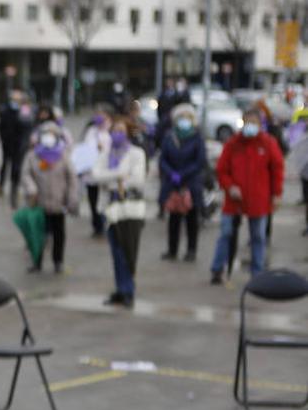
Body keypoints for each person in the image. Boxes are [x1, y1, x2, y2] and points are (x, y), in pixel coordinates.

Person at [210, 107, 283, 285]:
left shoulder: (268, 143)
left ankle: (257, 273)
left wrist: (276, 194)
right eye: (247, 123)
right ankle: (217, 269)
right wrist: (229, 186)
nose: (250, 126)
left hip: (259, 199)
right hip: (234, 199)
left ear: (260, 124)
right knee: (226, 233)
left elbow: (277, 169)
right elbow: (221, 170)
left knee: (258, 236)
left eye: (254, 123)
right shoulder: (233, 144)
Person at [90, 118, 148, 308]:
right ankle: (120, 290)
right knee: (116, 252)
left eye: (121, 130)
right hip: (111, 208)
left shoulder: (136, 153)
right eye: (114, 130)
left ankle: (128, 290)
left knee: (128, 251)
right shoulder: (106, 154)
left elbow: (137, 180)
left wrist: (112, 181)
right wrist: (119, 177)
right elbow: (96, 175)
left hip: (130, 210)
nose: (117, 134)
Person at [21, 121, 78, 274]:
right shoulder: (33, 156)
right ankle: (37, 262)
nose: (48, 137)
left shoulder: (63, 155)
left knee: (59, 234)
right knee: (38, 234)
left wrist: (71, 197)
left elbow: (72, 178)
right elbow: (25, 174)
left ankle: (58, 261)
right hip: (38, 202)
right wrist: (31, 188)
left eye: (51, 134)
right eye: (45, 133)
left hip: (59, 202)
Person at [157, 104, 207, 262]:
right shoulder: (169, 136)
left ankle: (191, 250)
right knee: (174, 218)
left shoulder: (197, 137)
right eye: (181, 118)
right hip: (173, 183)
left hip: (190, 183)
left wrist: (183, 174)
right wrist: (171, 173)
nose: (184, 121)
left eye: (187, 117)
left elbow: (200, 161)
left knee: (192, 218)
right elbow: (162, 158)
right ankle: (172, 250)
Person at [79, 109, 115, 238]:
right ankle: (97, 225)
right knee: (93, 201)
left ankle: (105, 222)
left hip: (105, 173)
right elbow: (85, 149)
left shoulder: (112, 131)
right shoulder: (91, 132)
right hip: (91, 174)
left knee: (105, 200)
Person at [0, 91, 32, 208]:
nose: (15, 101)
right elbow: (1, 126)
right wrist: (3, 139)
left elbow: (27, 126)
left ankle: (13, 193)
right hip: (7, 144)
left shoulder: (24, 111)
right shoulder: (5, 110)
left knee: (16, 169)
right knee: (5, 165)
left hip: (19, 146)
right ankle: (1, 185)